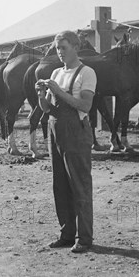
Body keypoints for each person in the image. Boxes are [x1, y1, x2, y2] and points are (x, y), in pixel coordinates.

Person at [36, 31, 97, 253]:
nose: (60, 52)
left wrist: (58, 91)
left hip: (76, 133)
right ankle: (67, 233)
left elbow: (85, 106)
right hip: (56, 131)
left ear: (75, 47)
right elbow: (48, 109)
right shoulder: (55, 73)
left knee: (79, 186)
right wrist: (42, 96)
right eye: (58, 48)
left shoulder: (86, 73)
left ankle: (84, 238)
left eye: (64, 47)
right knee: (60, 186)